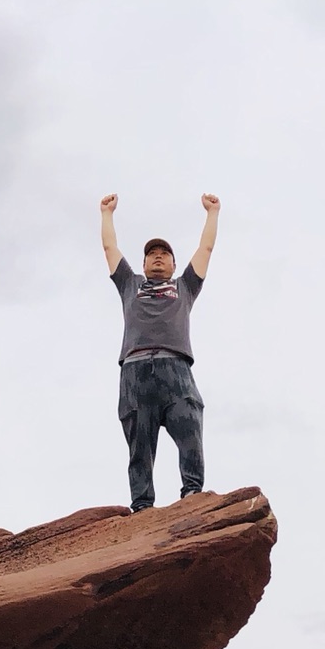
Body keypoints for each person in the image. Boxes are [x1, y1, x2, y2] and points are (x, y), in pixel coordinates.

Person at [101, 192, 219, 512]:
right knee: (140, 443)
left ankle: (192, 492)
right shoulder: (130, 284)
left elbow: (205, 248)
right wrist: (106, 214)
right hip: (136, 370)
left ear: (173, 264)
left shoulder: (185, 287)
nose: (157, 257)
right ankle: (142, 505)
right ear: (142, 264)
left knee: (190, 422)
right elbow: (110, 248)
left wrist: (213, 213)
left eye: (164, 254)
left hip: (175, 368)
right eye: (152, 254)